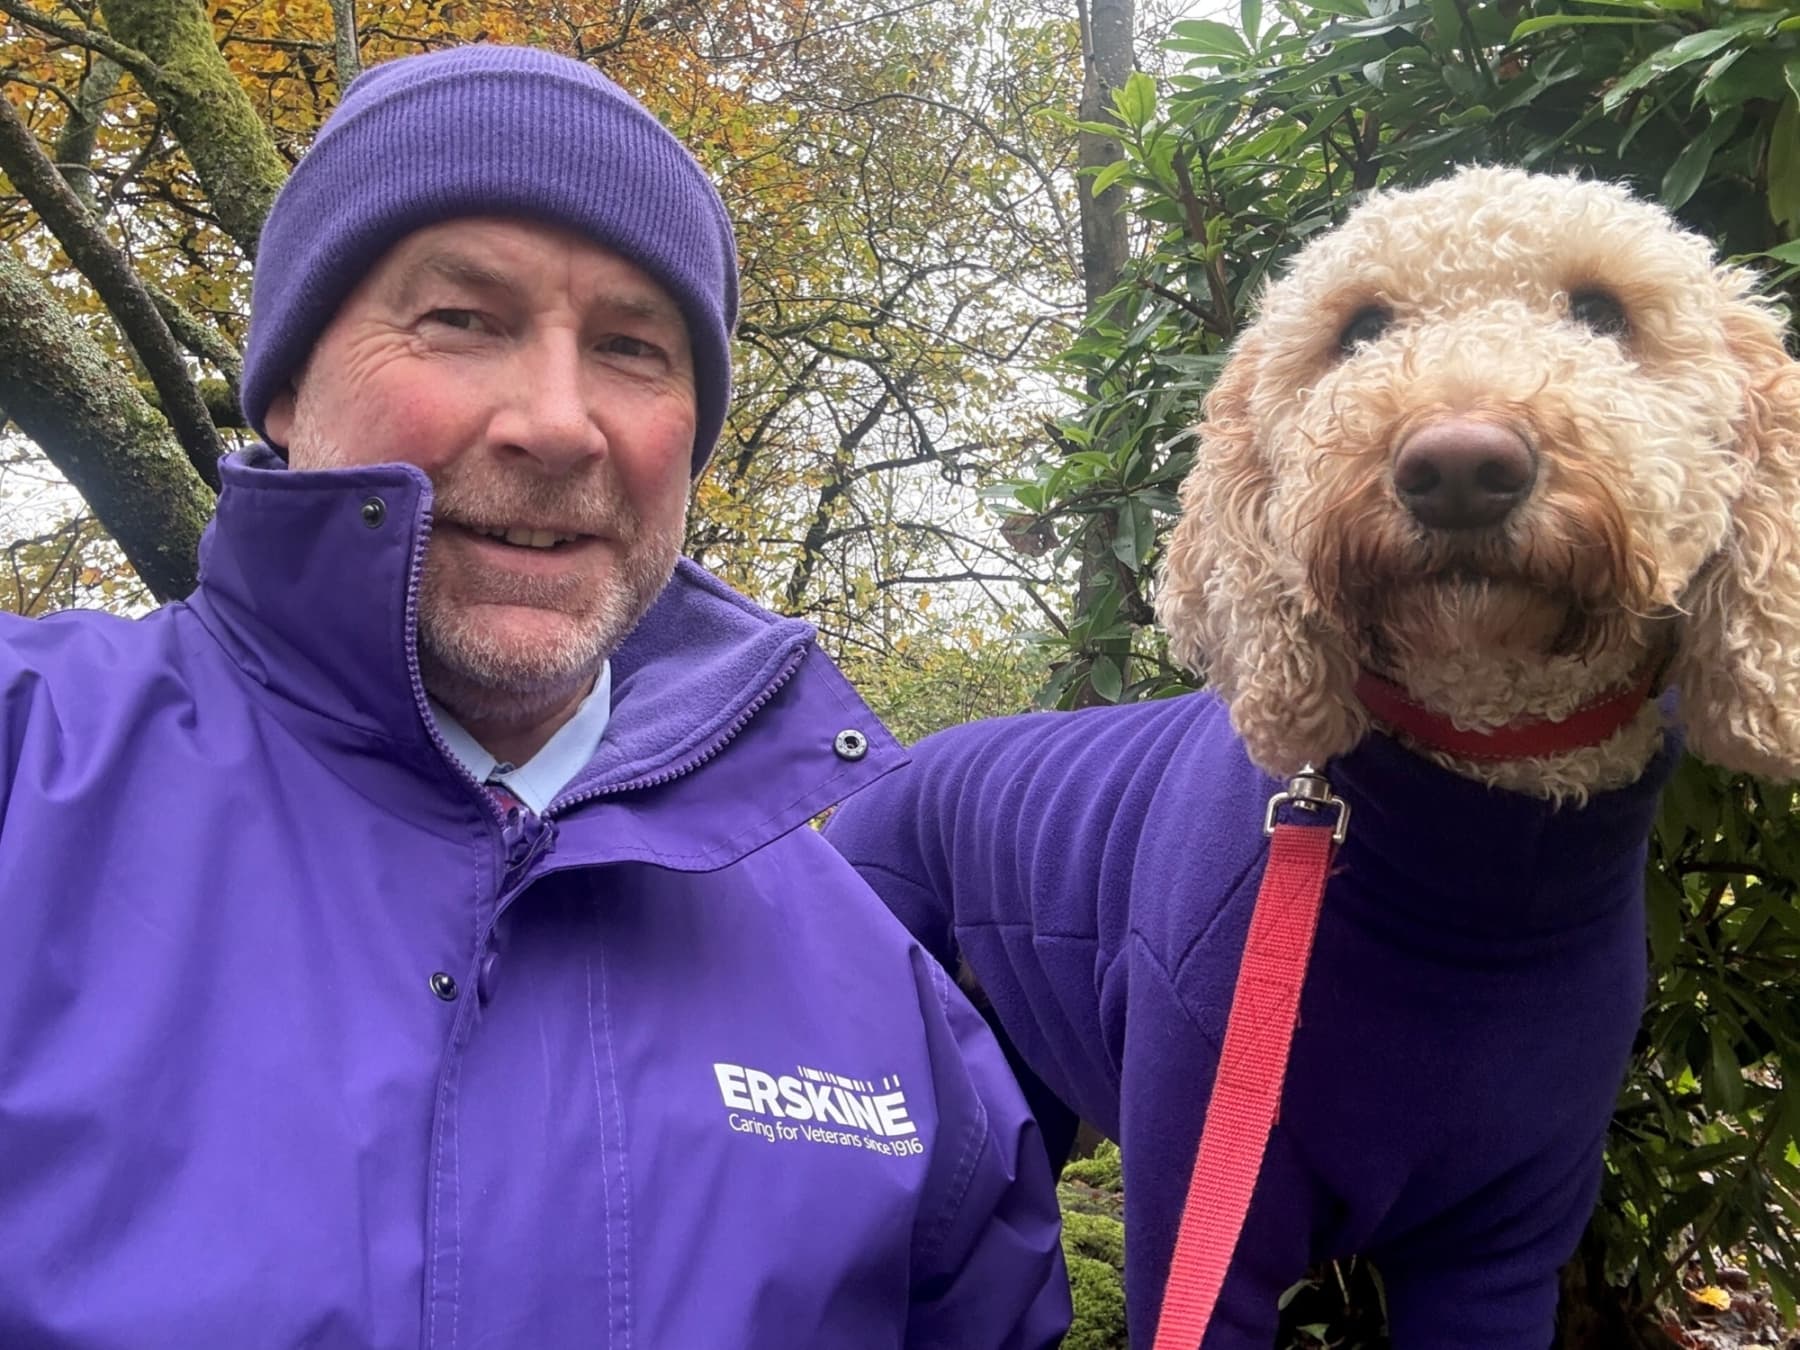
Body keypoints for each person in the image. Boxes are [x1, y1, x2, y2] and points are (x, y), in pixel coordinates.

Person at [0, 44, 1069, 1348]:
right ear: (282, 384)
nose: (559, 422)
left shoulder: (887, 1009)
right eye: (462, 318)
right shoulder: (26, 777)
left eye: (632, 346)